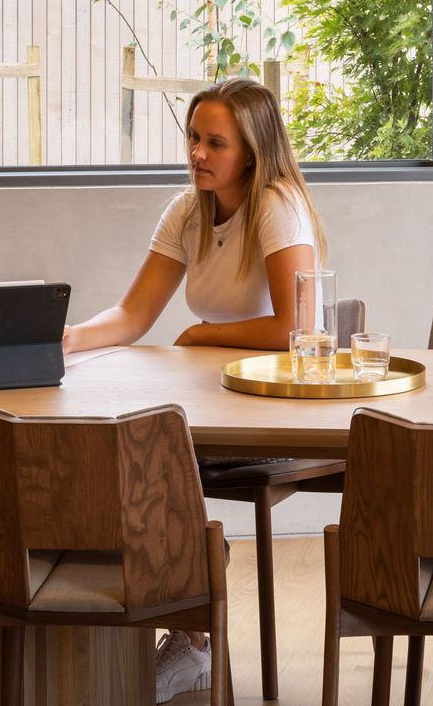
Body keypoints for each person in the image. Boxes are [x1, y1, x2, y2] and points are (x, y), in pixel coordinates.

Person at [62, 77, 327, 702]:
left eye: (215, 143)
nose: (198, 154)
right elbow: (132, 315)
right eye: (193, 138)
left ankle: (190, 634)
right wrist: (68, 338)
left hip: (267, 417)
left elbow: (300, 327)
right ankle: (165, 617)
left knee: (143, 454)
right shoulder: (187, 210)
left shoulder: (276, 205)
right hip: (208, 405)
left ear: (252, 153)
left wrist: (203, 335)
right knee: (117, 448)